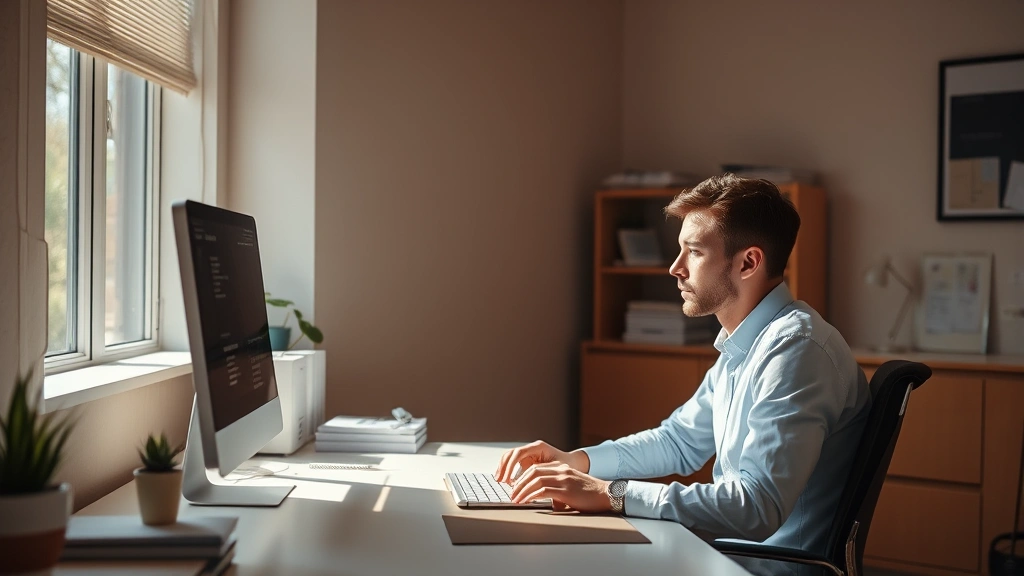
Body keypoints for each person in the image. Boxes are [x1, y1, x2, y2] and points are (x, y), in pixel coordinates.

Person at [495, 174, 870, 560]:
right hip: (725, 554)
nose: (675, 268)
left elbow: (757, 507)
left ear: (748, 263)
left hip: (763, 568)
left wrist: (610, 493)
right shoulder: (746, 344)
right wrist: (577, 461)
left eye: (693, 252)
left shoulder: (796, 351)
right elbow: (679, 441)